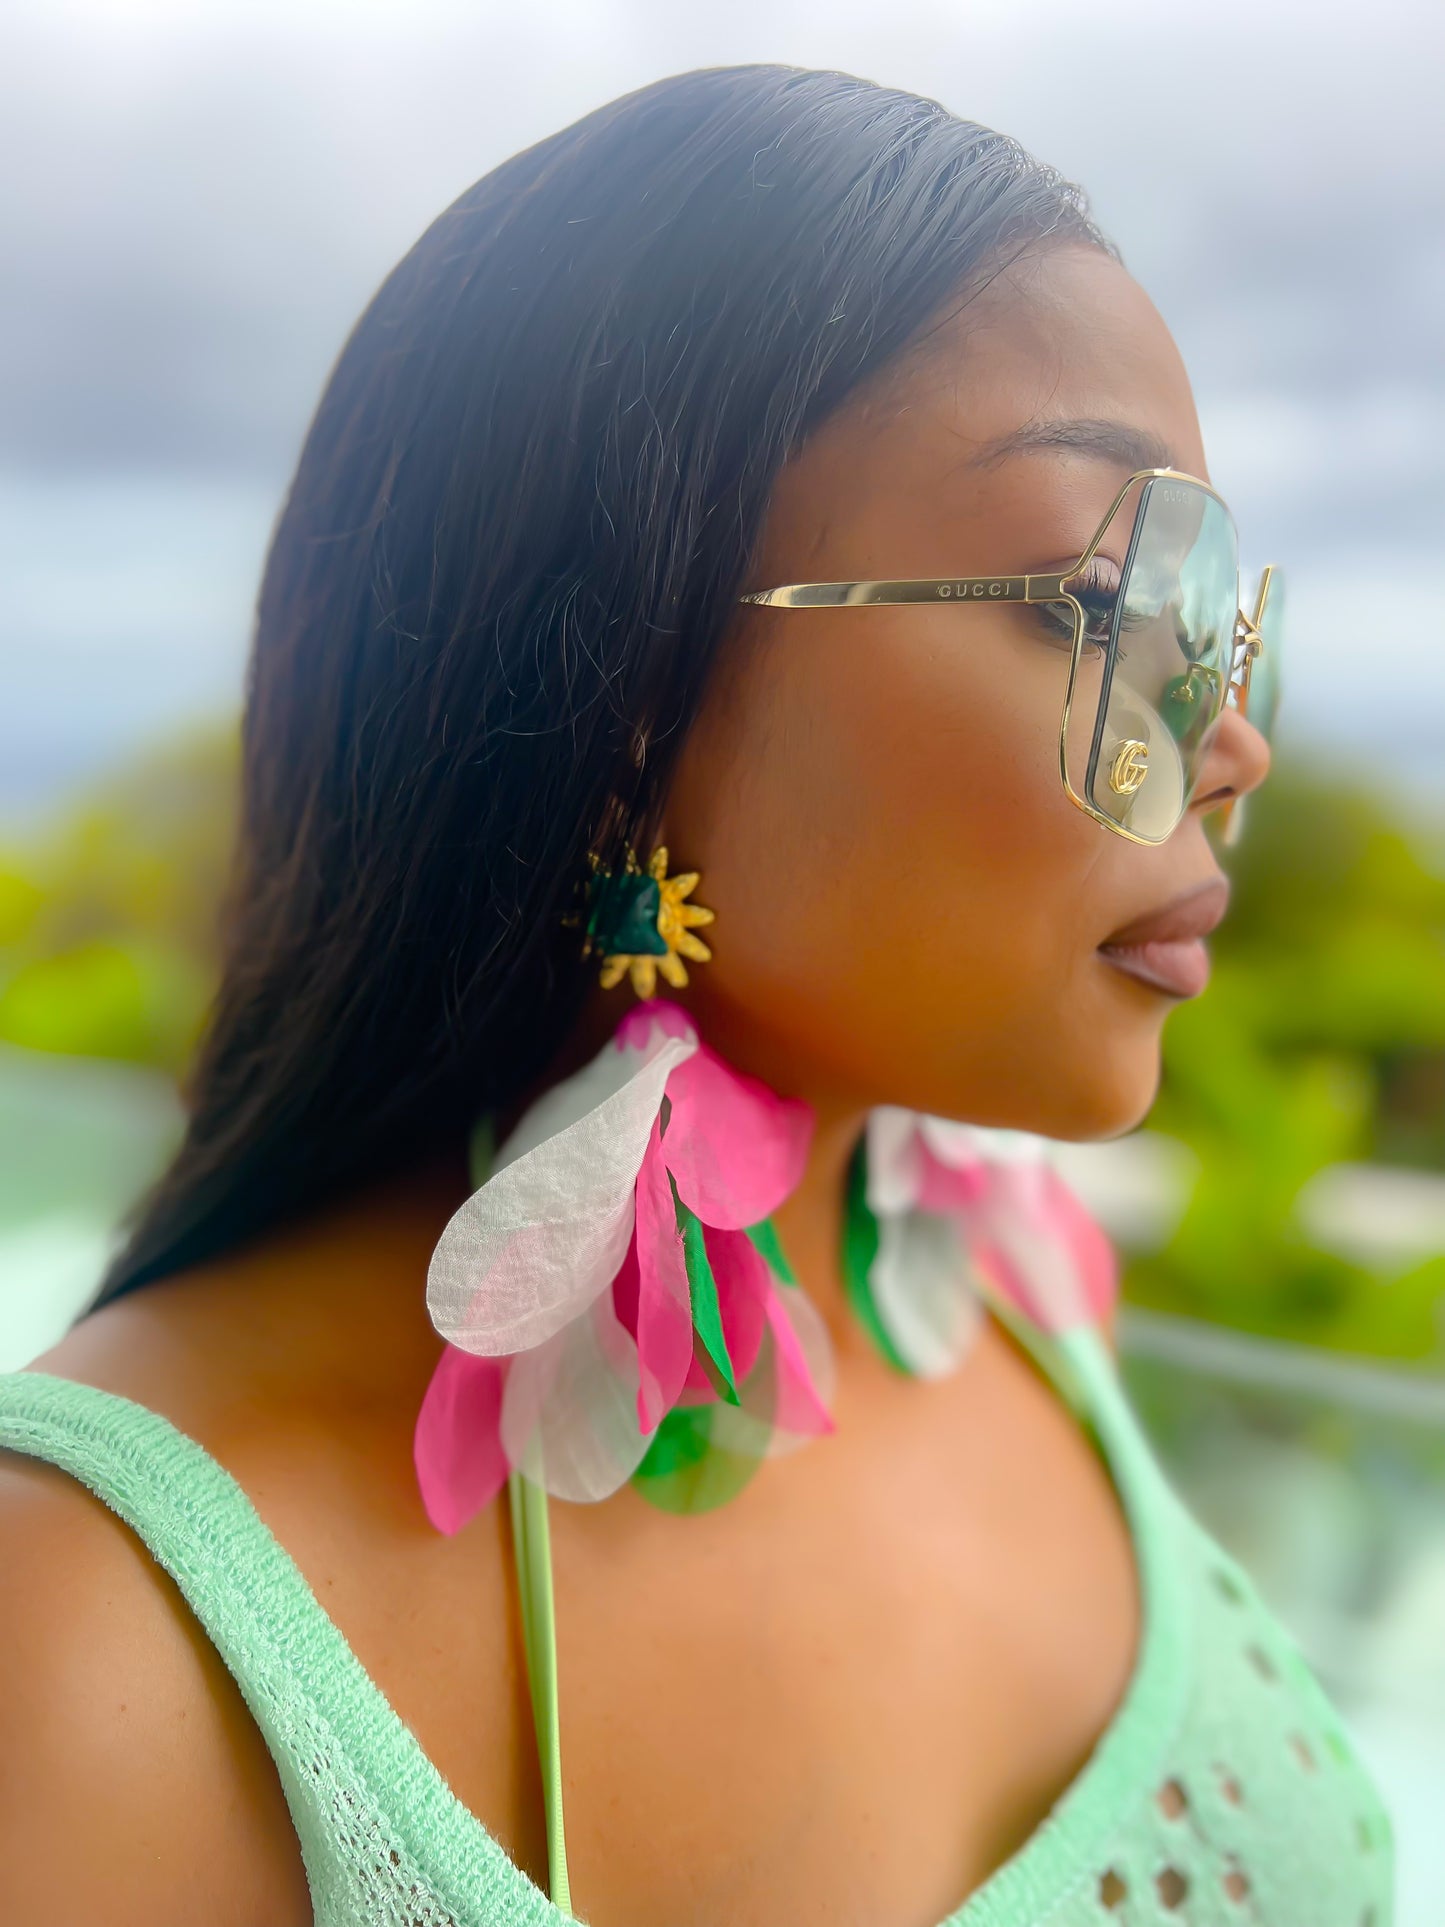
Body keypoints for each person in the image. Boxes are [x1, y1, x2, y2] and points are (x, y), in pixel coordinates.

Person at [0, 62, 1392, 1927]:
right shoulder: (106, 1642)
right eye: (1093, 603)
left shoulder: (1011, 1312)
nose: (1226, 742)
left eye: (1220, 617)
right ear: (622, 702)